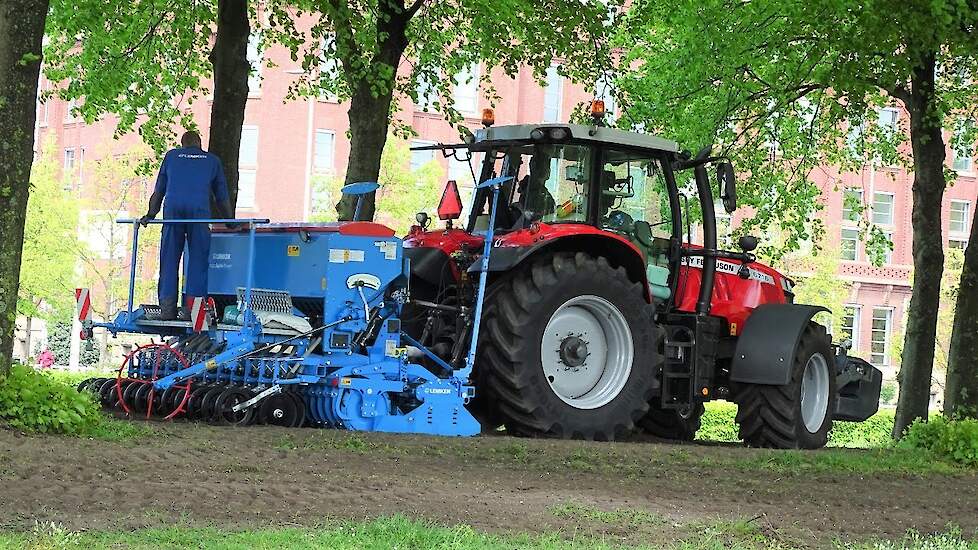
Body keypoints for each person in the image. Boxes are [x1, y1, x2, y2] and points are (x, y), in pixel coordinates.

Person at [140, 131, 233, 320]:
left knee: (169, 260)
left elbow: (159, 190)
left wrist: (150, 214)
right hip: (198, 212)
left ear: (183, 144)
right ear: (199, 144)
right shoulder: (212, 160)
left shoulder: (172, 157)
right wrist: (229, 222)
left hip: (173, 212)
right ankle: (194, 309)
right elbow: (221, 196)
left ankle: (167, 309)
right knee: (198, 261)